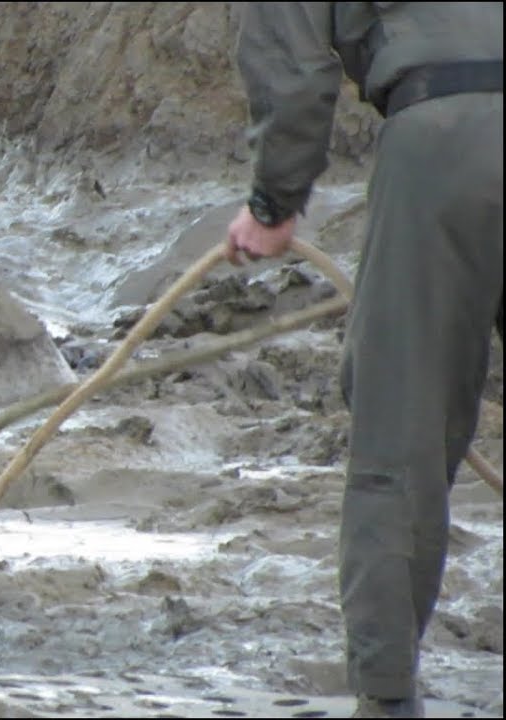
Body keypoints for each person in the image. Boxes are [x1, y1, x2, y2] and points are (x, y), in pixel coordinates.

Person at [224, 3, 503, 718]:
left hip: (446, 137)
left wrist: (271, 203)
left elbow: (292, 74)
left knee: (399, 428)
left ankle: (386, 694)